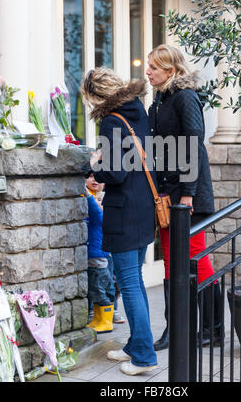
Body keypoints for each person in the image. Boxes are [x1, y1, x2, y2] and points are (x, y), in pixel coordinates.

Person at [81, 67, 158, 376]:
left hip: (124, 212)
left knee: (129, 282)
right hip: (143, 208)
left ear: (97, 96)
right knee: (135, 280)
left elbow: (116, 172)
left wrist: (94, 166)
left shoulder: (112, 120)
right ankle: (135, 344)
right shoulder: (137, 109)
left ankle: (143, 355)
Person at [147, 44, 222, 351]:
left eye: (153, 67)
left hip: (187, 195)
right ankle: (175, 329)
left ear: (172, 71)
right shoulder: (160, 99)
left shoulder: (185, 97)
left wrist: (188, 195)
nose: (148, 71)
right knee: (169, 263)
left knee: (195, 257)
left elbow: (193, 145)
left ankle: (212, 329)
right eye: (149, 66)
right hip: (167, 194)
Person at [84, 171, 116, 333]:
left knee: (99, 289)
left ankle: (106, 321)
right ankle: (98, 318)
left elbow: (96, 213)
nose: (99, 203)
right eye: (98, 200)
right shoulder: (93, 211)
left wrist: (88, 196)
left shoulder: (101, 212)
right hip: (93, 256)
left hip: (99, 257)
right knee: (94, 290)